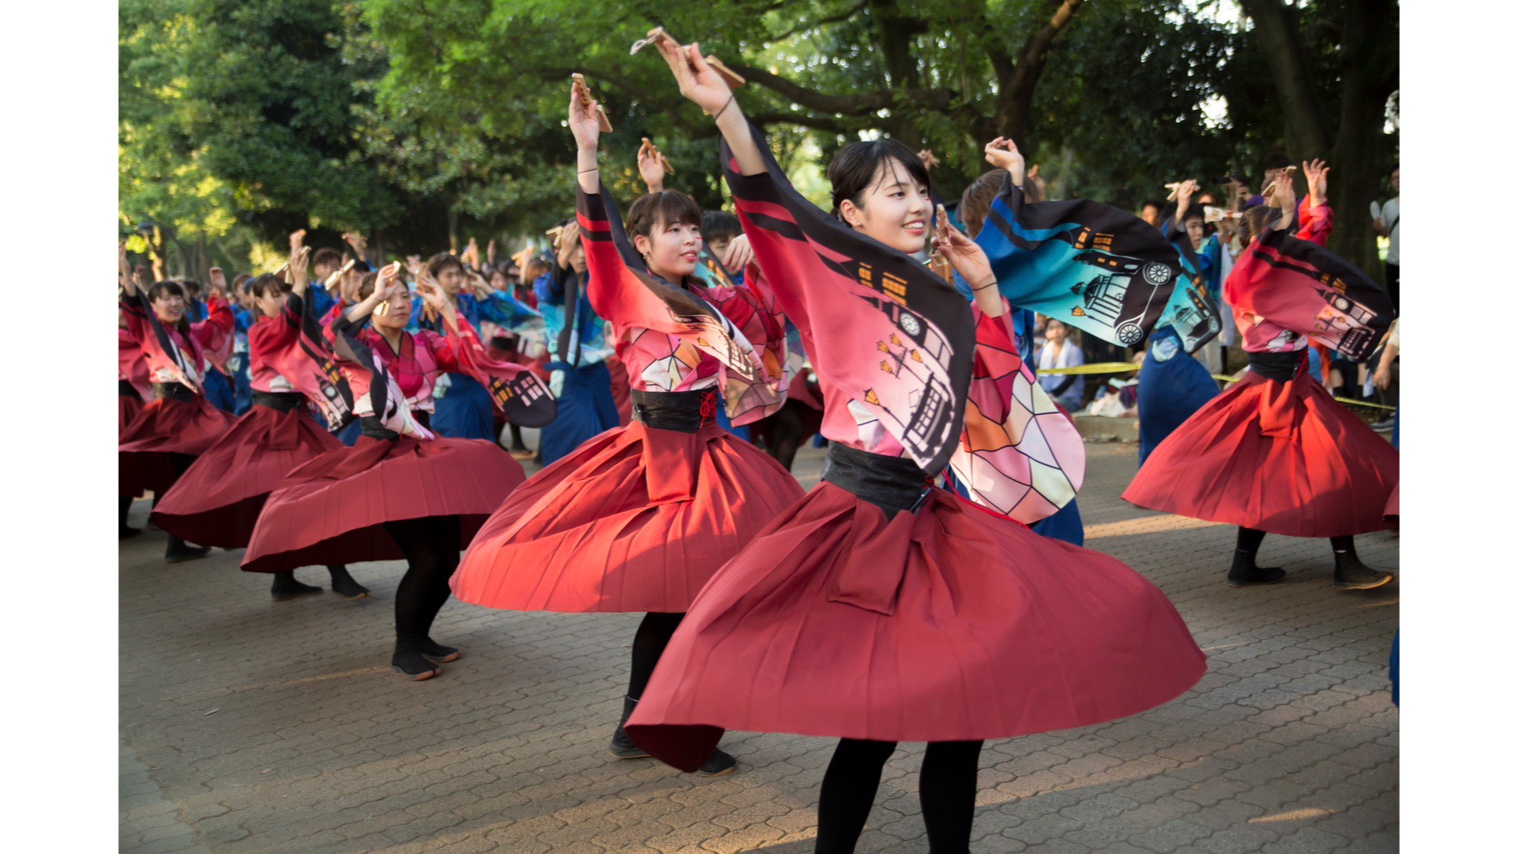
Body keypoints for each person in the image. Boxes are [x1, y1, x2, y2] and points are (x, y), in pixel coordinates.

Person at [624, 38, 1205, 854]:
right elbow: (770, 200)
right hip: (859, 522)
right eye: (895, 192)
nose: (919, 202)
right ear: (851, 216)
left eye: (922, 188)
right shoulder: (827, 276)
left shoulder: (942, 289)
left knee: (957, 719)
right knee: (870, 728)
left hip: (939, 521)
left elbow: (1002, 405)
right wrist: (725, 110)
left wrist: (986, 291)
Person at [449, 80, 803, 777]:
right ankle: (656, 721)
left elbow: (772, 311)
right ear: (643, 244)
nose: (692, 237)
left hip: (716, 452)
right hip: (660, 457)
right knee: (684, 599)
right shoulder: (630, 294)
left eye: (696, 226)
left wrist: (754, 257)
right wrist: (587, 150)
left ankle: (648, 719)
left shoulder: (712, 297)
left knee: (704, 596)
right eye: (675, 229)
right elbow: (602, 234)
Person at [243, 263, 549, 680]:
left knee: (445, 558)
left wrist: (444, 307)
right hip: (381, 455)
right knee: (424, 559)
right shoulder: (360, 345)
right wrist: (370, 298)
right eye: (391, 296)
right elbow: (336, 334)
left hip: (424, 449)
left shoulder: (424, 341)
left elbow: (469, 356)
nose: (401, 303)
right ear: (372, 304)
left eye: (406, 295)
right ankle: (404, 647)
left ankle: (421, 637)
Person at [1123, 160, 1398, 591]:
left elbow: (1311, 251)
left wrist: (1316, 201)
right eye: (1281, 237)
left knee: (1281, 476)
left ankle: (1246, 564)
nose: (1288, 244)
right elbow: (1275, 262)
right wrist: (1288, 216)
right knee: (1328, 469)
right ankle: (1345, 565)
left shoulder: (1280, 273)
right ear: (1261, 242)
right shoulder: (1245, 280)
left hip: (1295, 387)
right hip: (1270, 389)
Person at [150, 232, 369, 601]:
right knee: (282, 498)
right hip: (271, 425)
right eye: (275, 294)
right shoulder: (260, 331)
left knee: (319, 491)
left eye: (286, 293)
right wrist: (298, 283)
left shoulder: (295, 328)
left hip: (298, 422)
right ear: (256, 301)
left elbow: (313, 324)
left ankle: (325, 574)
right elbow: (288, 324)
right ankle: (294, 576)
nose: (283, 300)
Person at [118, 245, 239, 563]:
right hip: (171, 411)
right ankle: (197, 536)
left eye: (177, 297)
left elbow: (219, 328)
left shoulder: (190, 333)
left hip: (193, 410)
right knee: (192, 475)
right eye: (165, 298)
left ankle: (183, 541)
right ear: (152, 305)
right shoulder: (149, 331)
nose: (173, 303)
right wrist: (127, 275)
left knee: (194, 475)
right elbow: (133, 306)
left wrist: (220, 295)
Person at [409, 252, 541, 441]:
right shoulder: (425, 311)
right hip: (446, 388)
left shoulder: (471, 304)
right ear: (435, 279)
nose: (455, 280)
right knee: (453, 445)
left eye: (458, 274)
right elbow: (411, 335)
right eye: (448, 275)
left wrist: (486, 287)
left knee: (483, 443)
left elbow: (510, 312)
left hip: (476, 380)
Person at [1036, 319, 1085, 411]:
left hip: (1068, 398)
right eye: (1051, 328)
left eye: (1059, 327)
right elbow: (1033, 364)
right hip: (1045, 395)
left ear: (1066, 331)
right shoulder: (1042, 352)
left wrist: (1054, 394)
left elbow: (1072, 376)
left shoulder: (1074, 350)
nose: (1056, 331)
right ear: (1046, 333)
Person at [1373, 165, 1400, 311]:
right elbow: (1385, 234)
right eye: (1394, 179)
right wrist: (1378, 228)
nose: (1397, 181)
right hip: (1394, 263)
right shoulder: (1389, 206)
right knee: (1396, 303)